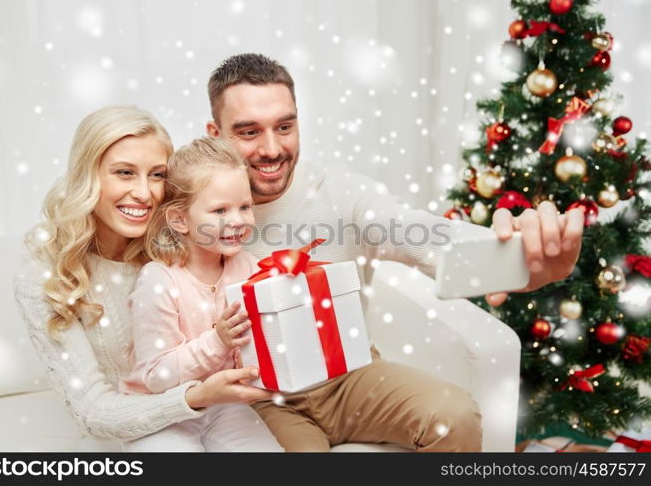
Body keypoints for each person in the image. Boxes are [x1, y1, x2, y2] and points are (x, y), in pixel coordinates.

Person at [205, 53, 585, 451]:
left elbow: (414, 232)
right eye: (248, 132)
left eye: (285, 126)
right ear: (215, 133)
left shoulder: (340, 191)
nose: (271, 149)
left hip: (349, 377)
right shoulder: (195, 203)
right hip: (260, 395)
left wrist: (521, 262)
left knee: (452, 416)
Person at [14, 106, 274, 448]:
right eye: (124, 172)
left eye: (156, 175)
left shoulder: (180, 245)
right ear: (88, 177)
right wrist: (193, 398)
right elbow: (93, 411)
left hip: (217, 409)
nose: (144, 193)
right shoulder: (47, 275)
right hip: (126, 432)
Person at [120, 138, 282, 451]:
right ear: (180, 219)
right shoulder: (159, 279)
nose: (237, 220)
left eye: (244, 207)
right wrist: (217, 340)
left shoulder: (247, 266)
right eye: (220, 210)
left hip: (225, 405)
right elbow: (156, 377)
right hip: (161, 410)